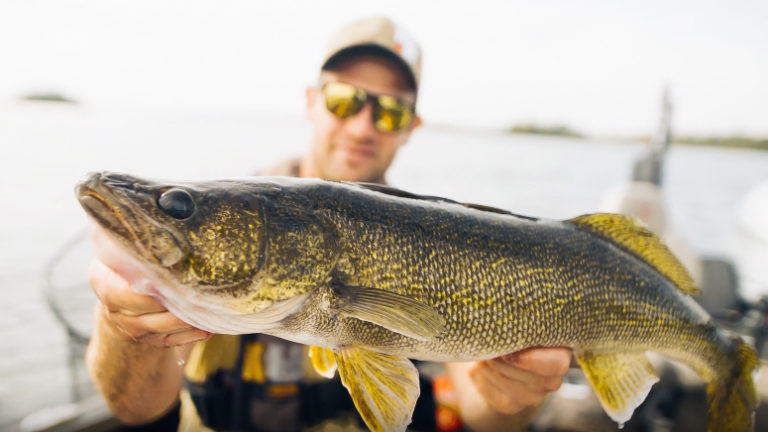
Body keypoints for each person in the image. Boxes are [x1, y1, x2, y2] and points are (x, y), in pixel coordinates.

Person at [85, 16, 572, 432]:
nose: (362, 126)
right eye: (344, 99)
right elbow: (133, 408)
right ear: (311, 100)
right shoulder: (243, 205)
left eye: (391, 110)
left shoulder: (443, 241)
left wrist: (509, 395)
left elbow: (480, 411)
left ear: (410, 127)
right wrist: (123, 327)